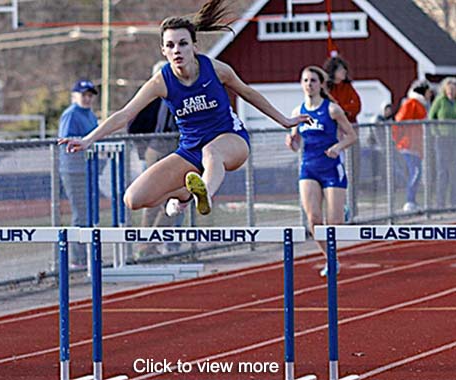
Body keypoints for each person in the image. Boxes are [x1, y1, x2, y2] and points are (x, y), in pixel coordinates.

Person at [59, 0, 310, 220]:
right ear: (164, 51)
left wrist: (284, 120)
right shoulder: (161, 81)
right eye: (171, 45)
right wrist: (89, 139)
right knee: (133, 199)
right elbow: (125, 114)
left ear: (194, 47)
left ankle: (205, 197)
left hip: (231, 142)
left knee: (212, 151)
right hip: (190, 151)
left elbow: (248, 92)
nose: (177, 50)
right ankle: (187, 194)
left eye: (182, 44)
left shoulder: (216, 69)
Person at [285, 66, 357, 277]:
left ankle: (342, 210)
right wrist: (291, 142)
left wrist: (337, 147)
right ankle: (330, 258)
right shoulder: (298, 112)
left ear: (321, 84)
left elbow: (352, 136)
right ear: (301, 84)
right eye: (305, 80)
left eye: (313, 80)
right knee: (314, 220)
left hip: (331, 168)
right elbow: (295, 143)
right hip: (309, 167)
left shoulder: (332, 109)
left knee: (335, 224)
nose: (309, 84)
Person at [128, 61, 182, 257]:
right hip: (158, 147)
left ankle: (153, 243)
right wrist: (144, 150)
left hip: (175, 148)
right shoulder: (151, 97)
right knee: (158, 198)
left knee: (171, 198)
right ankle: (147, 245)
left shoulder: (179, 93)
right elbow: (133, 124)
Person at [58, 79, 98, 268]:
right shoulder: (71, 114)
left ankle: (88, 255)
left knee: (89, 212)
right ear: (74, 96)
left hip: (89, 168)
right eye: (84, 95)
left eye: (90, 95)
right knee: (80, 213)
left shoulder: (89, 114)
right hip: (74, 170)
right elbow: (67, 141)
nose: (87, 99)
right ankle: (77, 258)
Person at [323, 56, 362, 220]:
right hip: (334, 133)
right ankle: (336, 209)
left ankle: (351, 209)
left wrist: (343, 112)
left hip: (349, 130)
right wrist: (337, 114)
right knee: (335, 170)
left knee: (352, 170)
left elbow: (356, 105)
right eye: (340, 70)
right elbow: (327, 107)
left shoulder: (348, 87)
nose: (344, 72)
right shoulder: (326, 89)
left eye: (344, 70)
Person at [392, 79, 431, 212]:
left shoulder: (421, 105)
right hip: (408, 145)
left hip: (417, 146)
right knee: (414, 173)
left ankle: (412, 200)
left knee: (416, 173)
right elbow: (399, 122)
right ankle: (409, 201)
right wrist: (399, 141)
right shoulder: (412, 103)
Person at [429, 77, 456, 208]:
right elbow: (431, 117)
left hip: (454, 140)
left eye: (453, 89)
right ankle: (440, 202)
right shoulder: (440, 101)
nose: (451, 91)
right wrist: (436, 133)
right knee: (442, 171)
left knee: (454, 171)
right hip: (442, 140)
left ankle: (454, 201)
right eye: (449, 89)